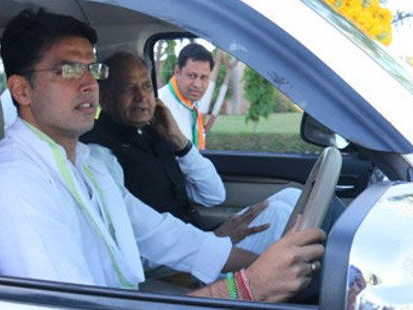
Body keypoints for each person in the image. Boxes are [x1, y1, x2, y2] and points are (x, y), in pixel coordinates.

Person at [0, 9, 325, 302]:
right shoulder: (11, 187)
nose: (89, 83)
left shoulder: (91, 164)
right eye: (68, 69)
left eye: (92, 68)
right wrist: (248, 287)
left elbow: (166, 236)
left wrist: (268, 265)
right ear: (21, 90)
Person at [82, 52, 299, 255]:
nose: (141, 96)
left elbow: (214, 195)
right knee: (279, 215)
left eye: (147, 86)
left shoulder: (157, 133)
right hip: (177, 263)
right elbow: (129, 238)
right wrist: (213, 240)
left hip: (199, 240)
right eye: (128, 88)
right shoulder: (99, 151)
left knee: (292, 196)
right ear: (104, 98)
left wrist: (180, 142)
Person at [158, 43, 212, 149]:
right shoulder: (160, 106)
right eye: (192, 76)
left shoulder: (193, 103)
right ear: (177, 71)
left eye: (204, 77)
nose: (197, 84)